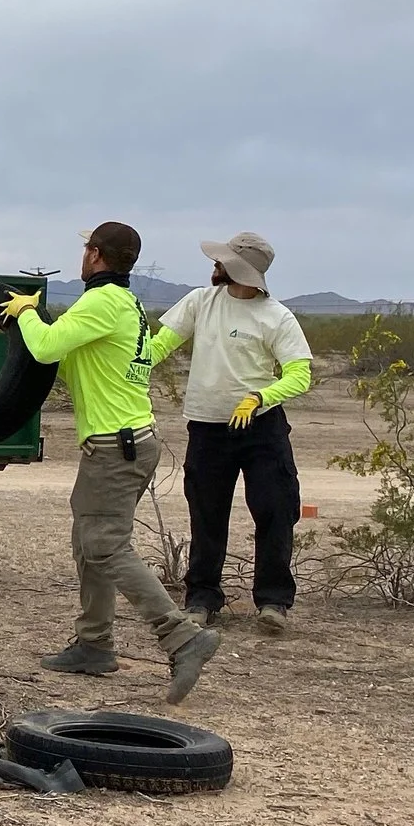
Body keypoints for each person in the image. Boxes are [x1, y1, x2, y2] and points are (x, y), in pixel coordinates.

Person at [7, 220, 220, 704]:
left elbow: (45, 347)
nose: (83, 255)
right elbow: (68, 361)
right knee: (89, 543)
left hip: (114, 447)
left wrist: (27, 313)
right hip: (123, 442)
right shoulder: (126, 303)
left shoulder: (102, 302)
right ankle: (94, 644)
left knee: (105, 545)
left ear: (95, 255)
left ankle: (181, 636)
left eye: (86, 248)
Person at [148, 231, 313, 634]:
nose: (215, 265)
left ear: (238, 269)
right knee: (207, 513)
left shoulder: (277, 317)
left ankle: (273, 601)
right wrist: (128, 364)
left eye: (221, 261)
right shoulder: (199, 302)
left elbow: (299, 374)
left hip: (261, 428)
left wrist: (259, 397)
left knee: (275, 509)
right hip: (208, 428)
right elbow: (159, 347)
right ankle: (202, 598)